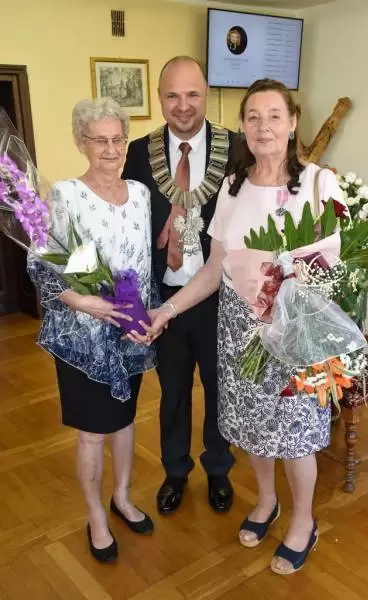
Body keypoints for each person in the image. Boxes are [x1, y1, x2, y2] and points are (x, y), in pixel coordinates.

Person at [145, 79, 346, 575]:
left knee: (296, 433)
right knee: (253, 426)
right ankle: (266, 502)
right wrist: (168, 310)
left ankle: (303, 521)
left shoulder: (321, 183)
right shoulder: (233, 187)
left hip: (296, 328)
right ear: (242, 126)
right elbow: (214, 269)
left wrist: (287, 289)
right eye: (253, 117)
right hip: (240, 328)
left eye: (275, 115)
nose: (263, 126)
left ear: (293, 122)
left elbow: (335, 267)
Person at [28, 98, 157, 563]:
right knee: (91, 434)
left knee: (125, 420)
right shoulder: (65, 195)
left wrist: (146, 318)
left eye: (118, 139)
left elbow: (143, 263)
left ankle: (121, 497)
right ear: (80, 142)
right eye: (99, 140)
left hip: (129, 330)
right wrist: (84, 302)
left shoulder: (140, 194)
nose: (111, 149)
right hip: (84, 337)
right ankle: (96, 516)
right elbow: (42, 262)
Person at [122, 56, 236, 515]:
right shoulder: (137, 152)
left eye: (192, 94)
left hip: (219, 295)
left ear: (206, 94)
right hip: (163, 297)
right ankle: (175, 470)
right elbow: (127, 224)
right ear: (159, 98)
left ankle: (219, 469)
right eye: (172, 95)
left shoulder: (236, 147)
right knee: (172, 392)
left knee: (220, 388)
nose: (183, 105)